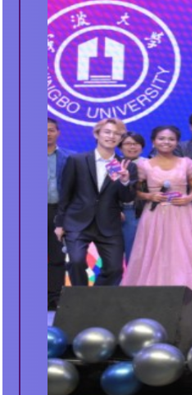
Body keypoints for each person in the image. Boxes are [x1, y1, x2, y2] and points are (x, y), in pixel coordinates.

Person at [122, 126, 192, 304]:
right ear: (153, 141)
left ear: (176, 142)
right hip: (155, 214)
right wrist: (150, 196)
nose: (166, 142)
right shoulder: (143, 164)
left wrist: (188, 198)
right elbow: (136, 191)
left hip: (183, 213)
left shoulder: (186, 162)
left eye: (171, 139)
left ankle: (188, 299)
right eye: (161, 138)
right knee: (154, 253)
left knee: (183, 254)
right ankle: (153, 298)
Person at [55, 118, 136, 289]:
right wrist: (60, 223)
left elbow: (127, 198)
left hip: (109, 223)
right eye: (107, 132)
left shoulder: (126, 166)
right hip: (77, 221)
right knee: (76, 262)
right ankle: (80, 297)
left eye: (117, 134)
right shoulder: (77, 160)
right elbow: (65, 194)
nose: (111, 136)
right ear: (97, 134)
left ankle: (94, 299)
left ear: (121, 139)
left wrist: (125, 181)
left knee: (114, 269)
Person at [47, 118, 74, 311]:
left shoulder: (69, 157)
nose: (47, 134)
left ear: (58, 132)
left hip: (59, 210)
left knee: (57, 256)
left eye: (51, 130)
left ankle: (54, 297)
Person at [117, 131, 146, 264]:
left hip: (145, 211)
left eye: (136, 143)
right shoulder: (114, 164)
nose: (132, 147)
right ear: (120, 147)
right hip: (123, 211)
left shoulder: (150, 163)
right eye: (128, 144)